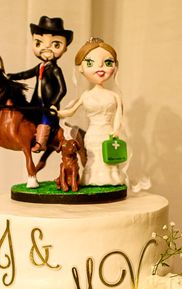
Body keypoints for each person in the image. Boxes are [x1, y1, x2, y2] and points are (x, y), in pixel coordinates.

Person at [55, 37, 127, 186]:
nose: (100, 68)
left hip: (108, 132)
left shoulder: (114, 96)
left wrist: (116, 129)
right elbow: (71, 111)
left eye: (107, 63)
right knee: (94, 156)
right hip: (93, 132)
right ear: (81, 68)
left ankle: (111, 179)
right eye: (90, 63)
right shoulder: (86, 95)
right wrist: (57, 112)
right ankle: (92, 179)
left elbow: (119, 114)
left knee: (108, 158)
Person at [8, 16, 73, 153]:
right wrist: (11, 76)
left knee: (45, 119)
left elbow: (63, 89)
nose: (46, 49)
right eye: (39, 43)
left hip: (48, 105)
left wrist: (54, 104)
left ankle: (40, 143)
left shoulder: (55, 69)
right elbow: (26, 74)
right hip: (36, 102)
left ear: (65, 48)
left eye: (56, 45)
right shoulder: (40, 67)